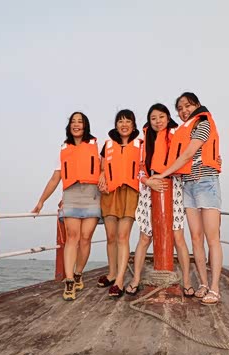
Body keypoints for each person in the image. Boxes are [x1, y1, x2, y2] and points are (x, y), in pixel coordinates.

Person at [150, 92, 223, 305]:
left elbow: (188, 154)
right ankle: (203, 283)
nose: (184, 111)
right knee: (196, 238)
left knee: (212, 238)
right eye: (180, 108)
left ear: (197, 105)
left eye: (188, 106)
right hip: (188, 185)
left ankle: (215, 288)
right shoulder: (183, 130)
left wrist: (162, 174)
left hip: (206, 182)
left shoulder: (203, 124)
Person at [125, 103, 193, 297]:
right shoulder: (144, 142)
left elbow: (190, 154)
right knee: (145, 237)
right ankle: (136, 279)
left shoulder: (177, 135)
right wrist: (148, 181)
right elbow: (139, 169)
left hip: (173, 186)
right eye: (153, 118)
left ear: (168, 118)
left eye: (161, 117)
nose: (158, 121)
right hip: (149, 187)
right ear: (149, 121)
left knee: (178, 236)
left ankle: (187, 281)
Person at [32, 112, 101, 301]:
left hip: (92, 194)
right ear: (69, 126)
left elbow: (104, 169)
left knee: (85, 238)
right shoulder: (63, 149)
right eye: (73, 122)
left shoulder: (96, 146)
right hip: (71, 194)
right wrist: (41, 201)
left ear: (86, 126)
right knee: (72, 237)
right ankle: (69, 280)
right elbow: (55, 178)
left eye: (80, 122)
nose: (76, 124)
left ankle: (78, 273)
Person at [96, 110, 142, 298]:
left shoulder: (141, 145)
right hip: (110, 192)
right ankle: (112, 273)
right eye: (120, 121)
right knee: (111, 237)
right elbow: (101, 166)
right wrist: (101, 174)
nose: (124, 124)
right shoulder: (107, 145)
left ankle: (120, 280)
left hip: (130, 192)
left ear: (133, 125)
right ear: (116, 125)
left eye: (128, 121)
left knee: (123, 237)